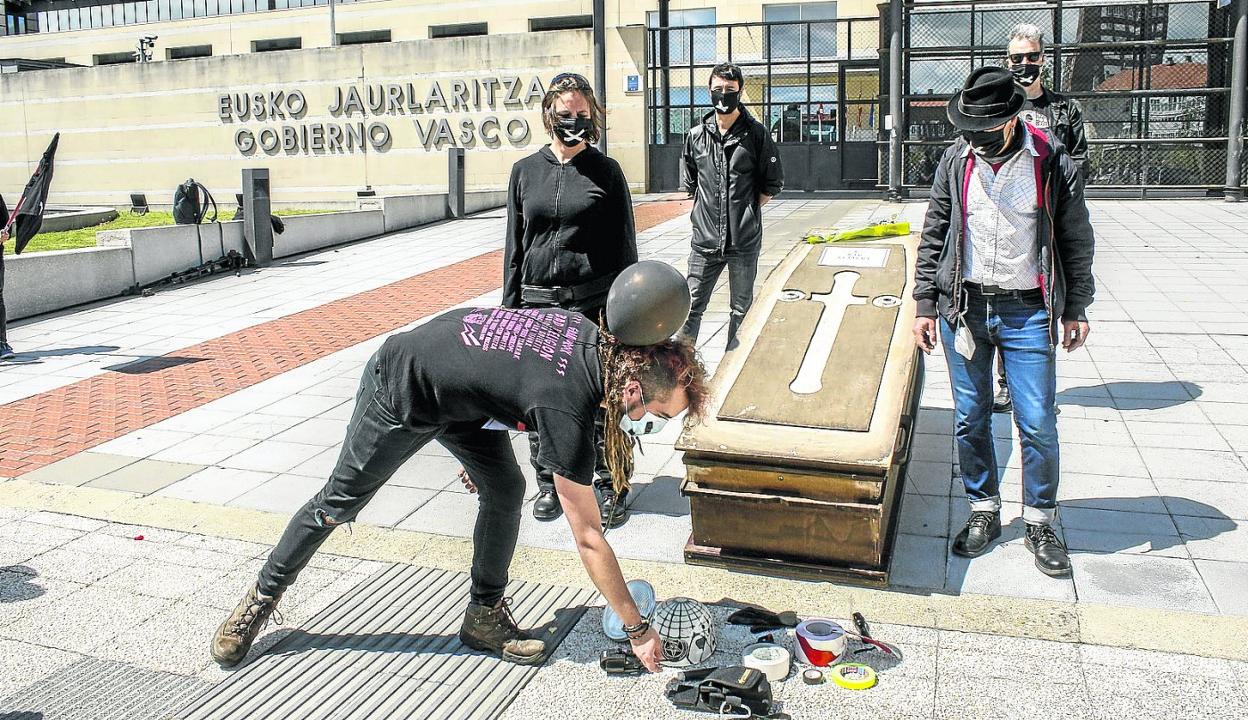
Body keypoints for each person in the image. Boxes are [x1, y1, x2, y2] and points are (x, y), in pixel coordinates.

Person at [210, 270, 709, 671]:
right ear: (631, 390)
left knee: (504, 488)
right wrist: (637, 628)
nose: (655, 426)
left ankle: (483, 617)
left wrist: (476, 440)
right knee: (338, 504)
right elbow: (588, 538)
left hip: (457, 397)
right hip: (403, 386)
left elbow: (513, 375)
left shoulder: (590, 337)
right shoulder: (568, 409)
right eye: (662, 415)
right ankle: (260, 597)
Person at [912, 67, 1094, 578]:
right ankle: (983, 510)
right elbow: (935, 233)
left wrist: (1076, 304)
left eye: (984, 130)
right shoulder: (956, 159)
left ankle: (1040, 519)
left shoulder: (1050, 158)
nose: (975, 139)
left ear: (1011, 120)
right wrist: (925, 304)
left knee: (1036, 421)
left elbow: (1075, 235)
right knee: (970, 418)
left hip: (1028, 310)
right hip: (964, 309)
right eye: (968, 129)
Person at [502, 72, 638, 527]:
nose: (574, 122)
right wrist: (510, 312)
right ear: (548, 116)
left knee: (599, 401)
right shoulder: (525, 172)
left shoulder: (607, 172)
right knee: (538, 402)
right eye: (565, 115)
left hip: (592, 304)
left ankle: (609, 481)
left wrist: (626, 319)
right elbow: (515, 248)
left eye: (582, 115)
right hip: (537, 305)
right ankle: (549, 483)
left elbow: (626, 250)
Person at [992, 23, 1089, 413]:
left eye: (1032, 57)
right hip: (1009, 219)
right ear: (1007, 61)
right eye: (1017, 58)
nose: (1025, 64)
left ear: (1044, 59)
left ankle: (1035, 383)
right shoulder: (1001, 108)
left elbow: (1080, 161)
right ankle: (1006, 384)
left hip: (1050, 217)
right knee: (1005, 299)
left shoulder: (1064, 110)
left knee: (1047, 297)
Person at [678, 62, 784, 351]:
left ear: (740, 91)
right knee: (690, 308)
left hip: (743, 242)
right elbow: (691, 183)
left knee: (741, 311)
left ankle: (731, 369)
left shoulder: (757, 134)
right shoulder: (695, 136)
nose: (723, 95)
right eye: (718, 89)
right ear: (709, 91)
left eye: (730, 90)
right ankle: (681, 374)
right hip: (704, 242)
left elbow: (771, 185)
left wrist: (746, 212)